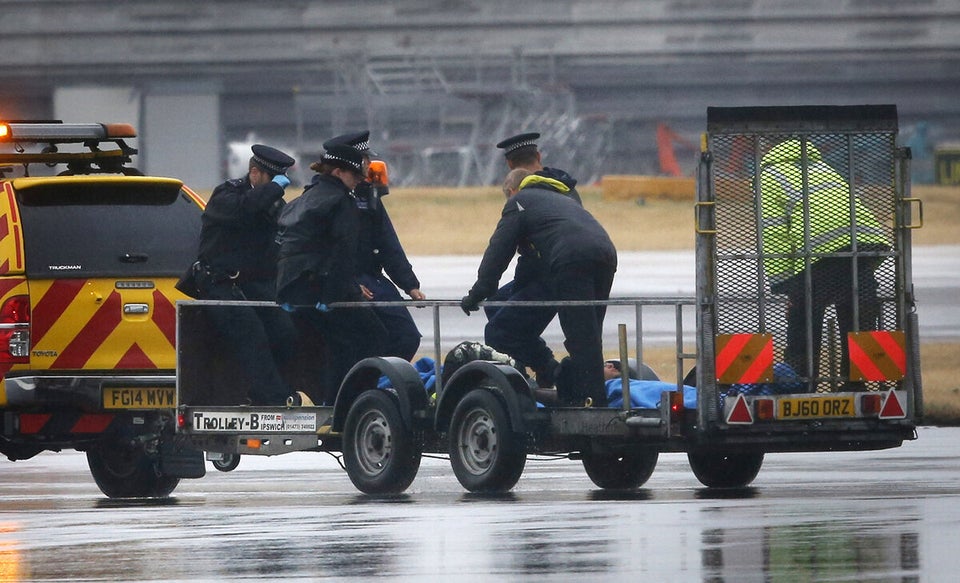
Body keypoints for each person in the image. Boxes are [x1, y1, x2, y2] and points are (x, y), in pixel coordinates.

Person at [461, 168, 618, 406]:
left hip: (570, 259)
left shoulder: (519, 202)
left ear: (513, 191)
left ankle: (589, 401)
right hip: (605, 254)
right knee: (589, 336)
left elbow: (498, 252)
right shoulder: (562, 198)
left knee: (580, 337)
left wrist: (478, 293)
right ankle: (583, 393)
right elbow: (529, 264)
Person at [759, 139, 890, 385]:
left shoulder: (770, 175)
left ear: (768, 148)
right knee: (859, 316)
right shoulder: (821, 167)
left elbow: (774, 233)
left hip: (821, 252)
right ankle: (857, 383)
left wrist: (787, 288)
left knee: (804, 316)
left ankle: (802, 382)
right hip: (862, 247)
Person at [185, 144, 299, 406]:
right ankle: (273, 397)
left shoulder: (270, 202)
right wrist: (273, 190)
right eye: (273, 181)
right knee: (251, 331)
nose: (276, 189)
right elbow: (245, 210)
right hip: (218, 282)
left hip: (252, 282)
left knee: (285, 331)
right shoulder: (227, 195)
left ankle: (265, 389)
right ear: (255, 173)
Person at [276, 143, 388, 405]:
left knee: (335, 343)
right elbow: (342, 255)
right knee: (374, 336)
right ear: (339, 173)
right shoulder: (341, 202)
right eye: (355, 176)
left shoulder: (306, 197)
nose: (359, 181)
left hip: (293, 290)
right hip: (319, 289)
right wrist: (336, 295)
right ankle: (354, 402)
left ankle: (332, 399)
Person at [323, 130, 425, 361]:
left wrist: (409, 284)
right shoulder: (324, 198)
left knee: (407, 336)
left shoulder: (368, 197)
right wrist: (349, 283)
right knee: (364, 339)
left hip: (371, 278)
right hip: (341, 281)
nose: (369, 165)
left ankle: (382, 384)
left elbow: (388, 243)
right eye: (364, 160)